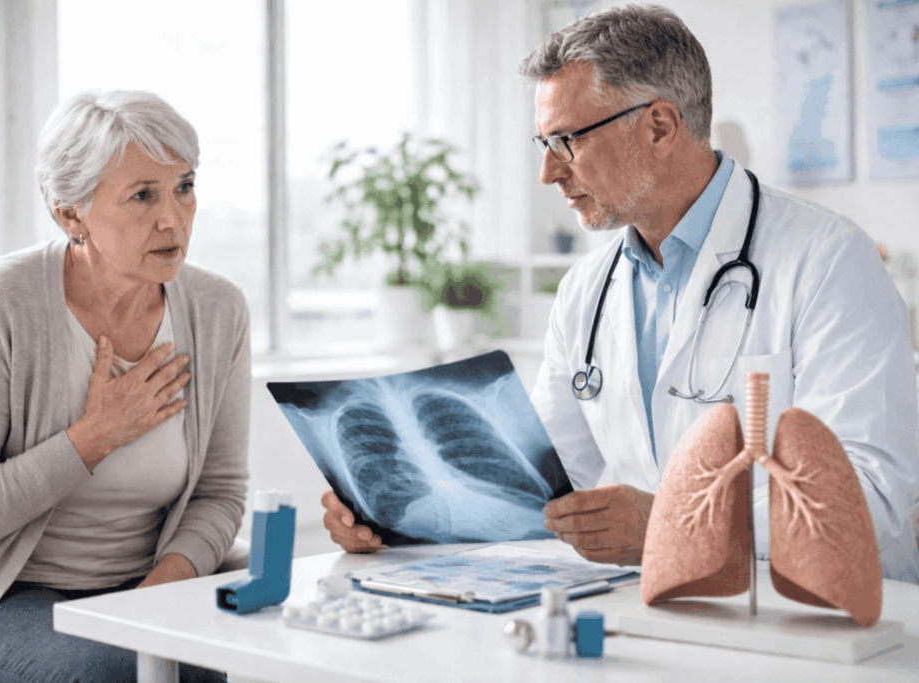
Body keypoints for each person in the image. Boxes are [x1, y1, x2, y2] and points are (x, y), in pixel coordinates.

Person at [321, 4, 919, 583]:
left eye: (567, 141)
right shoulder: (587, 288)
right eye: (544, 145)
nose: (549, 173)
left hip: (823, 617)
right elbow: (545, 484)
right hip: (660, 611)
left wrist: (673, 523)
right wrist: (396, 515)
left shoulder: (828, 259)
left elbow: (871, 494)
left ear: (658, 125)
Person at [0, 90, 250, 683]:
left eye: (184, 187)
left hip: (139, 587)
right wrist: (93, 438)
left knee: (198, 665)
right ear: (70, 214)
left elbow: (220, 492)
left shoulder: (218, 310)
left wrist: (157, 594)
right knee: (120, 674)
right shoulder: (0, 301)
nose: (174, 218)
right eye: (143, 195)